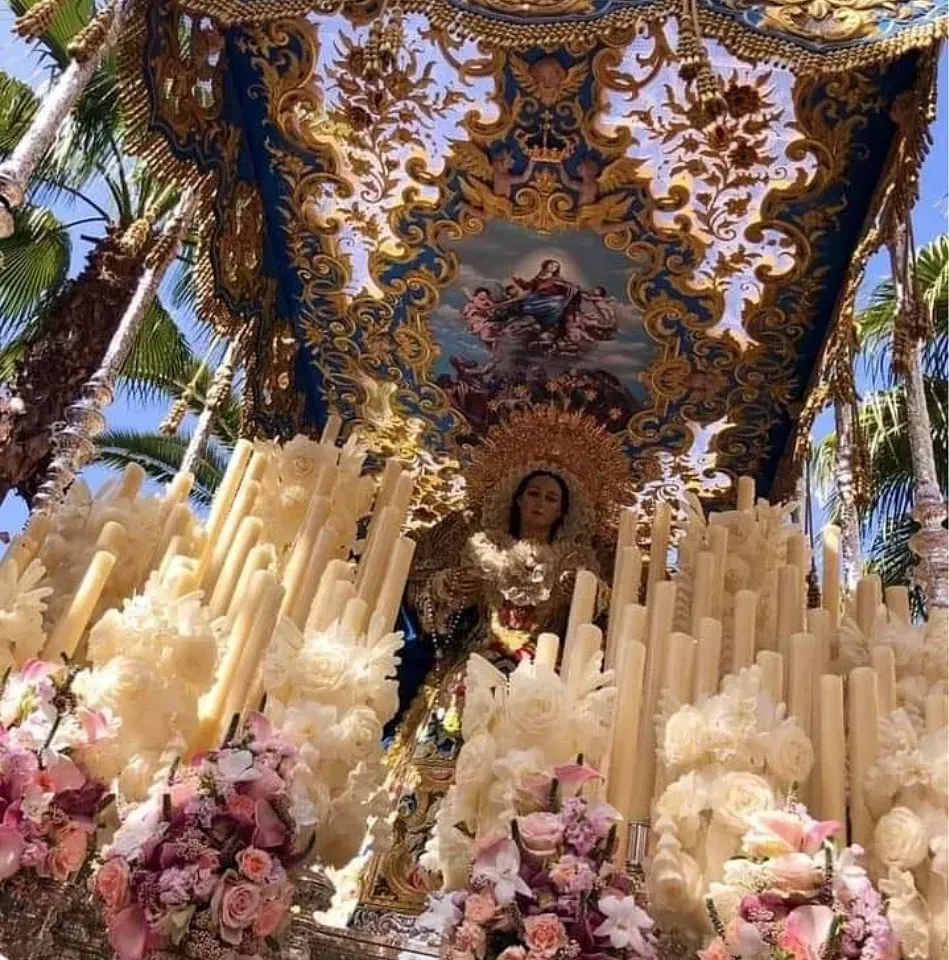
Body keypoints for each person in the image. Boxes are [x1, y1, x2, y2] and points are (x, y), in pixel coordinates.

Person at [354, 451, 609, 933]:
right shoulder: (481, 548)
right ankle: (397, 895)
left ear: (564, 510)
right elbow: (427, 610)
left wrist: (588, 595)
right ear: (516, 497)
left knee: (512, 789)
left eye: (551, 497)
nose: (540, 502)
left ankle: (491, 910)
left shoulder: (577, 562)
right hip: (466, 683)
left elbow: (597, 620)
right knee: (437, 774)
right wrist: (451, 585)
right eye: (533, 492)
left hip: (532, 692)